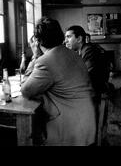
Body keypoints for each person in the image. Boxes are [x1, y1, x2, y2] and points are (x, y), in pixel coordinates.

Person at [20, 17, 96, 146]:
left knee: (34, 127)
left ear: (37, 41)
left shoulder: (45, 61)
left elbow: (26, 90)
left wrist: (35, 56)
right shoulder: (73, 54)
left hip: (69, 130)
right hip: (87, 123)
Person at [64, 25, 110, 104]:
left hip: (92, 95)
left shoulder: (89, 50)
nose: (65, 41)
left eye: (69, 37)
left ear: (79, 39)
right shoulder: (83, 50)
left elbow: (87, 76)